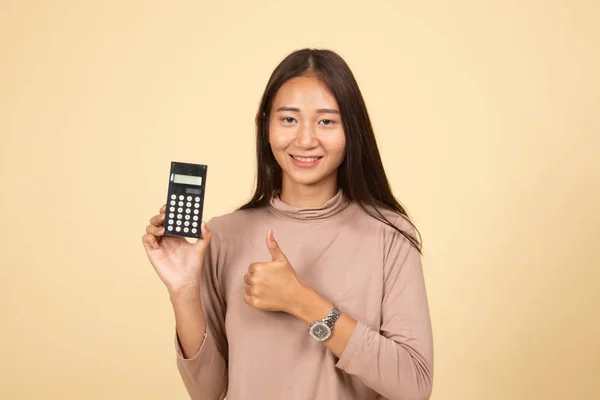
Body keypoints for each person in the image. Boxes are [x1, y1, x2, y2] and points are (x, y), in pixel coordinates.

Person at [142, 48, 434, 400]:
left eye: (326, 121)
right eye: (289, 120)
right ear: (265, 125)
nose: (306, 140)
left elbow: (414, 387)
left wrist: (303, 302)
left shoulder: (389, 236)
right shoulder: (222, 236)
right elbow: (209, 392)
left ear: (351, 130)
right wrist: (184, 292)